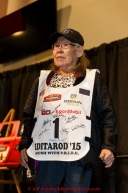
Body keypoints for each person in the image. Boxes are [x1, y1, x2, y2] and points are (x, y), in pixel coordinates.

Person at [19, 28, 117, 193]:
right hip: (47, 154)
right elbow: (29, 115)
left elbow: (107, 114)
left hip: (79, 154)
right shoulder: (42, 81)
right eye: (56, 46)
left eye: (65, 45)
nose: (59, 49)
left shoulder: (92, 79)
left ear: (79, 51)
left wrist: (108, 146)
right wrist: (24, 145)